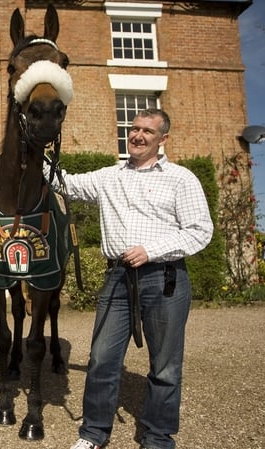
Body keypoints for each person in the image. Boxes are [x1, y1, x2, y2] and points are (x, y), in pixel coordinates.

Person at [58, 109, 214, 449]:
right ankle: (93, 434)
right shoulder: (109, 176)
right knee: (102, 358)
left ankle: (158, 438)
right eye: (134, 128)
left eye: (147, 131)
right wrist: (33, 147)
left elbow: (200, 231)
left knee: (165, 366)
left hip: (165, 278)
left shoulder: (181, 179)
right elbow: (64, 183)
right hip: (117, 277)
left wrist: (151, 250)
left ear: (163, 139)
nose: (138, 135)